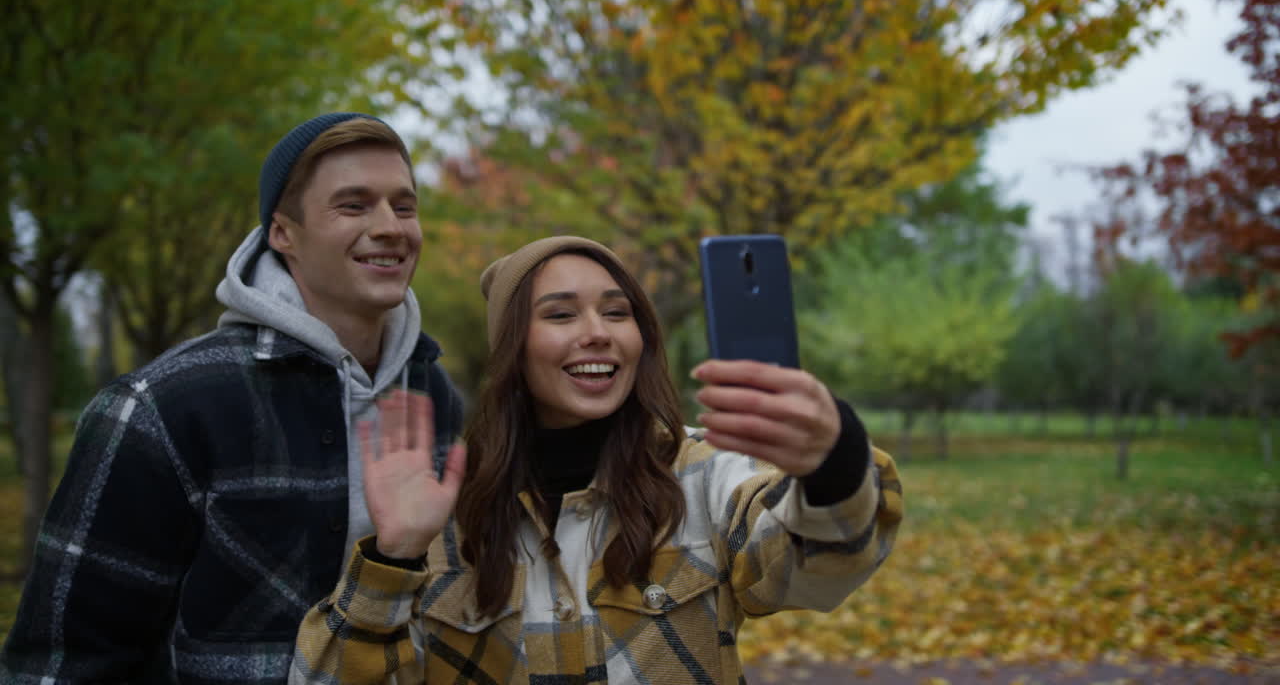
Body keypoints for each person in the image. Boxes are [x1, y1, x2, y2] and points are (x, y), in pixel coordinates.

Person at [289, 236, 902, 684]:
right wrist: (393, 556)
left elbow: (816, 567)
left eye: (617, 312)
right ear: (512, 351)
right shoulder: (440, 507)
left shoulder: (704, 472)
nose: (598, 332)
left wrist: (833, 461)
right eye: (560, 314)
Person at [0, 113, 465, 684]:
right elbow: (63, 663)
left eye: (405, 205)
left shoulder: (432, 393)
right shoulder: (163, 408)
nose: (391, 226)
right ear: (282, 233)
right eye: (353, 205)